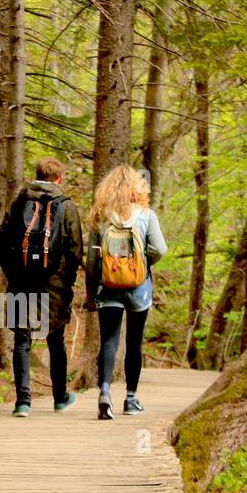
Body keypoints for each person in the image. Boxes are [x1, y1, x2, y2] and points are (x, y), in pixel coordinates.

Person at [0, 157, 84, 417]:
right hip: (54, 284)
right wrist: (65, 280)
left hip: (21, 281)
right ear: (59, 179)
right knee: (55, 339)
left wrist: (13, 273)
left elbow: (2, 244)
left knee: (22, 340)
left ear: (37, 175)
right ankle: (60, 398)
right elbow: (75, 249)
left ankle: (23, 402)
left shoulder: (19, 201)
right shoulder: (66, 206)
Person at [84, 165, 166, 419]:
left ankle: (105, 391)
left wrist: (91, 292)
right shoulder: (146, 215)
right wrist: (143, 263)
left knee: (109, 340)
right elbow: (160, 249)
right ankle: (130, 399)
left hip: (108, 287)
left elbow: (90, 261)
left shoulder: (101, 216)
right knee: (134, 342)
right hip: (138, 288)